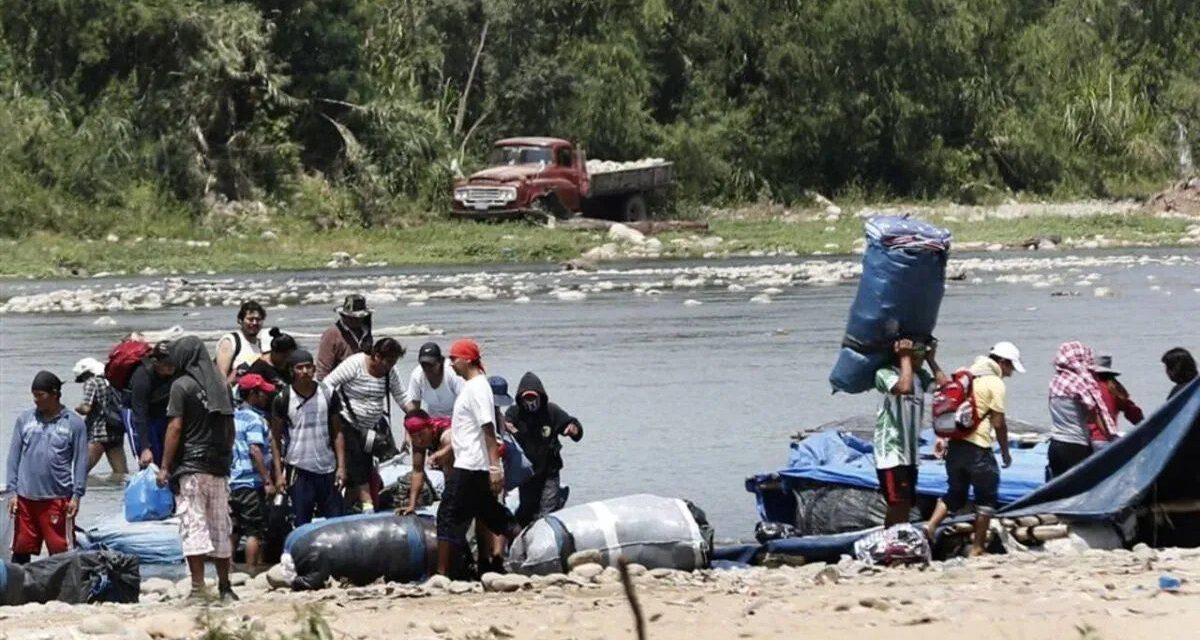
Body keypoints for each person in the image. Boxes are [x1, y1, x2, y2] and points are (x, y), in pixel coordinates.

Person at [154, 336, 239, 603]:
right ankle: (226, 588)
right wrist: (224, 458)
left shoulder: (182, 386)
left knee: (194, 526)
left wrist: (165, 466)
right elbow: (230, 429)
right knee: (220, 526)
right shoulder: (221, 385)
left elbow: (175, 428)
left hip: (191, 467)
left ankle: (198, 589)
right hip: (218, 466)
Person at [925, 341, 1023, 556]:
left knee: (955, 493)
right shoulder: (994, 383)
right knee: (986, 497)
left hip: (956, 446)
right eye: (1011, 367)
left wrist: (941, 438)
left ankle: (930, 525)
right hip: (979, 448)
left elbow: (945, 396)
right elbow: (998, 423)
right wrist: (1005, 451)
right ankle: (978, 547)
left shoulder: (967, 375)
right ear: (1003, 362)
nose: (1011, 373)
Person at [435, 339, 521, 577]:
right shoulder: (471, 387)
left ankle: (442, 575)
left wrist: (495, 467)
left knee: (448, 514)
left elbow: (487, 428)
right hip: (472, 462)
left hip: (471, 465)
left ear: (466, 360)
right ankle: (527, 548)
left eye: (453, 359)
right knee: (491, 513)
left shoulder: (477, 388)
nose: (450, 364)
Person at [6, 372, 88, 564]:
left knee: (61, 553)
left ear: (54, 394)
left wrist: (77, 495)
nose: (36, 400)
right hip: (25, 499)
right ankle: (20, 592)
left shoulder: (74, 423)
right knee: (20, 550)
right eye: (33, 395)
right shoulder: (25, 420)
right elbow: (13, 458)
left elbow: (81, 462)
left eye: (40, 395)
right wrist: (12, 492)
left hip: (58, 500)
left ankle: (64, 592)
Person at [323, 337, 407, 513]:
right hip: (347, 423)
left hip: (370, 429)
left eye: (394, 362)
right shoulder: (355, 364)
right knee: (356, 466)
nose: (391, 365)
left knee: (365, 464)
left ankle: (344, 509)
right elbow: (327, 385)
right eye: (389, 361)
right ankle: (368, 505)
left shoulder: (390, 371)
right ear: (377, 356)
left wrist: (417, 418)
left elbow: (401, 397)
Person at [874, 338, 947, 527]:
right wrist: (904, 357)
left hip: (910, 453)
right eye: (918, 356)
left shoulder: (919, 376)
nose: (920, 360)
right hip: (891, 451)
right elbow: (903, 388)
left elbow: (945, 388)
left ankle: (899, 539)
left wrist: (931, 360)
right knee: (896, 501)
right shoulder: (885, 373)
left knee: (907, 501)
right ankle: (890, 540)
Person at [271, 350, 347, 526]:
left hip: (327, 467)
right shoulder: (283, 398)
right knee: (300, 521)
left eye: (308, 367)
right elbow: (275, 438)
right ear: (292, 371)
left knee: (336, 521)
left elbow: (338, 432)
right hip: (298, 469)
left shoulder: (328, 393)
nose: (305, 371)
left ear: (314, 369)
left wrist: (341, 467)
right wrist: (278, 474)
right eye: (300, 368)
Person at [504, 372, 583, 526]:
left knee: (548, 510)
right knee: (527, 510)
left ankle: (548, 539)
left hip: (549, 472)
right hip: (527, 474)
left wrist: (573, 429)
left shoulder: (551, 411)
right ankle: (519, 539)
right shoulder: (515, 413)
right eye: (527, 398)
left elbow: (572, 425)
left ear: (540, 396)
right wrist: (508, 427)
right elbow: (506, 423)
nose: (530, 402)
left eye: (533, 397)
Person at [229, 374, 276, 572]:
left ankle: (229, 570)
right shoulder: (255, 419)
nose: (265, 397)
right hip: (251, 482)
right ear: (252, 395)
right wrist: (267, 480)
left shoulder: (232, 417)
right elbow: (255, 449)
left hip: (232, 482)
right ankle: (251, 570)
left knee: (234, 528)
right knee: (254, 530)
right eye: (262, 393)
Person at [1047, 341, 1114, 478]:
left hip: (1055, 444)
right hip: (1075, 446)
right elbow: (1095, 415)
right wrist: (1112, 439)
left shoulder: (1055, 381)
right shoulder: (1080, 383)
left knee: (1059, 489)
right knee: (1079, 488)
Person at [72, 357, 129, 475]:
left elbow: (86, 408)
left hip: (98, 432)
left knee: (79, 473)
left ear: (87, 373)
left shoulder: (92, 382)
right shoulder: (112, 380)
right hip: (116, 429)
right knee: (122, 474)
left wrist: (77, 408)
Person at [131, 341, 177, 468]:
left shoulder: (177, 372)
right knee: (149, 460)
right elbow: (139, 413)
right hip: (141, 416)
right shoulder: (142, 376)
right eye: (166, 364)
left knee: (168, 458)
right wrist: (145, 447)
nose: (171, 366)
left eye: (173, 363)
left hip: (162, 414)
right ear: (155, 361)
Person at [1089, 355, 1144, 449]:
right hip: (1106, 440)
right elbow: (1135, 415)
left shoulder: (1085, 387)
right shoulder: (1115, 389)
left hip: (1086, 440)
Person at [317, 294, 374, 380]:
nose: (356, 320)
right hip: (339, 383)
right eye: (352, 317)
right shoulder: (332, 334)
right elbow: (323, 370)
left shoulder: (366, 332)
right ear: (343, 315)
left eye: (360, 317)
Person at [402, 342, 463, 418]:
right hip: (434, 419)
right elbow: (415, 404)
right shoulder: (417, 375)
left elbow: (465, 402)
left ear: (440, 361)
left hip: (458, 417)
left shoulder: (452, 372)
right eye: (424, 365)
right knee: (411, 421)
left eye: (431, 364)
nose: (427, 368)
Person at [214, 300, 266, 383]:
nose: (254, 323)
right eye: (250, 319)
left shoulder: (262, 345)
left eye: (258, 319)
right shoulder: (231, 341)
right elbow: (220, 379)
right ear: (240, 320)